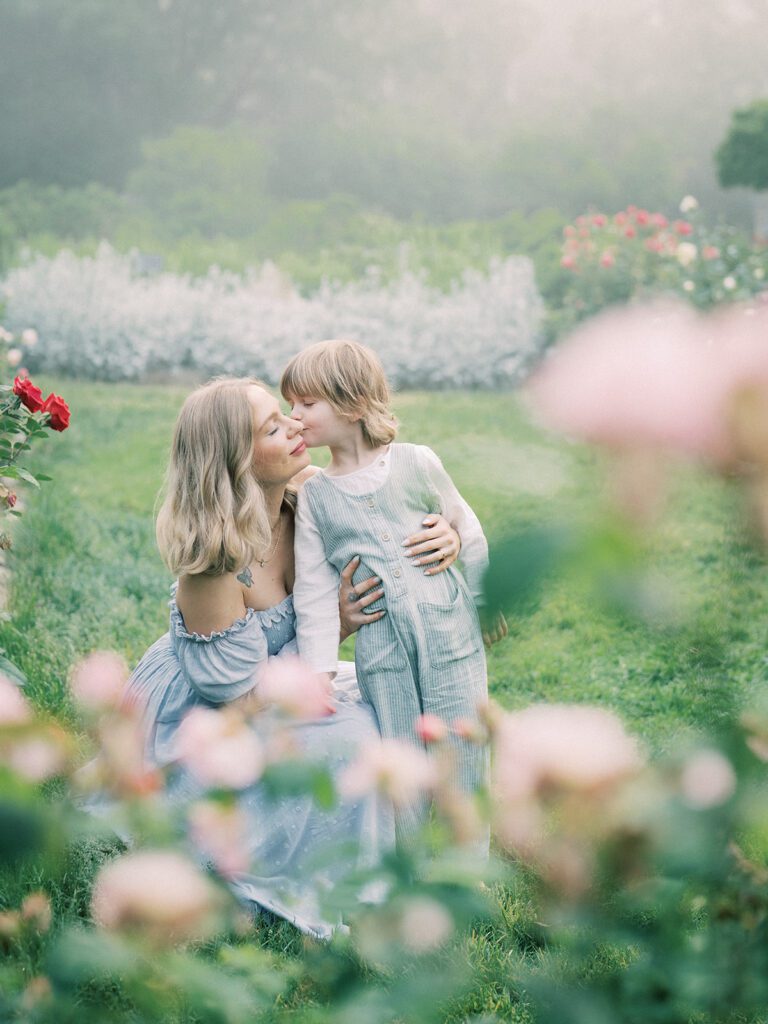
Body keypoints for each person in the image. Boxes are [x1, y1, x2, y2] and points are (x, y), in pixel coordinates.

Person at [121, 376, 463, 938]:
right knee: (353, 742)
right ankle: (344, 891)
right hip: (221, 708)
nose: (295, 426)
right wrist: (339, 625)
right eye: (272, 428)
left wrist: (447, 531)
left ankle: (423, 850)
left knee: (397, 697)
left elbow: (403, 504)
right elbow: (238, 701)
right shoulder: (213, 569)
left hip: (291, 671)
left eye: (286, 415)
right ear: (235, 462)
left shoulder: (308, 490)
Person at [281, 340, 507, 849]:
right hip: (383, 656)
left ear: (353, 405)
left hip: (452, 638)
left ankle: (467, 865)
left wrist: (485, 596)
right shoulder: (317, 498)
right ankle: (410, 866)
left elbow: (464, 528)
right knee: (401, 757)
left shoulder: (417, 462)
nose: (293, 417)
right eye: (290, 404)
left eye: (306, 404)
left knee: (462, 746)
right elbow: (314, 596)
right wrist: (319, 671)